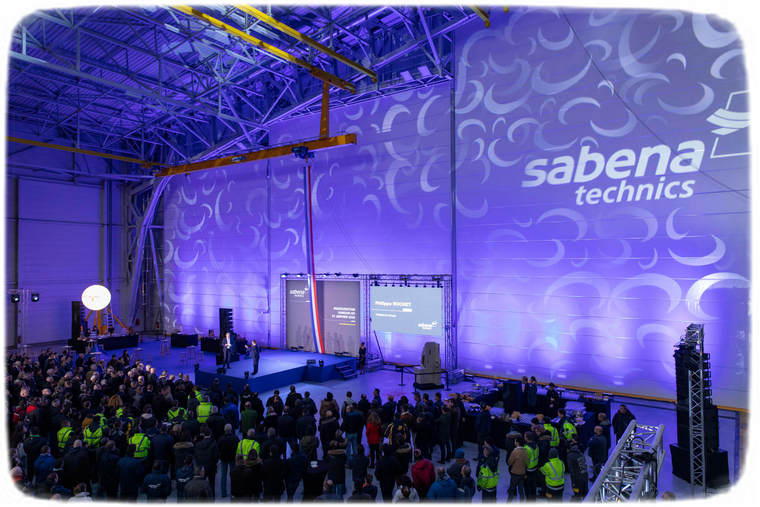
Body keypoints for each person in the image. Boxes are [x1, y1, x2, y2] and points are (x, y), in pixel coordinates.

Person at [507, 435, 528, 501]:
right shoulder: (526, 451)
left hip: (515, 473)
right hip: (522, 473)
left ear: (517, 442)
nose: (514, 442)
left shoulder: (515, 451)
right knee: (521, 490)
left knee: (511, 490)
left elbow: (509, 462)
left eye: (515, 441)